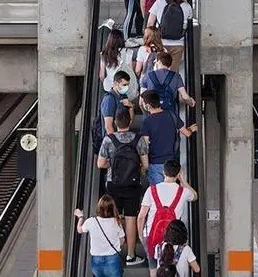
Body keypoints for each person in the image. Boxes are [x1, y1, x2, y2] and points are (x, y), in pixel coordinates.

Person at [98, 110, 149, 266]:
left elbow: (100, 164)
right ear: (130, 121)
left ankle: (111, 253)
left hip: (113, 184)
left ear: (115, 123)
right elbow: (145, 165)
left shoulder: (109, 140)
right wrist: (135, 172)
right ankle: (131, 256)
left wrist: (111, 165)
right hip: (132, 185)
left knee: (112, 218)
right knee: (130, 218)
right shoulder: (139, 139)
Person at [137, 159, 198, 277]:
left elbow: (141, 216)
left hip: (151, 235)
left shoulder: (151, 190)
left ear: (163, 172)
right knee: (172, 270)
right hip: (173, 237)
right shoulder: (183, 192)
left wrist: (141, 235)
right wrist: (183, 180)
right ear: (178, 174)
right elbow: (195, 196)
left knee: (154, 269)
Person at [139, 91, 197, 185]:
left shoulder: (146, 122)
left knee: (158, 193)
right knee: (171, 191)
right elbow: (187, 133)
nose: (142, 105)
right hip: (171, 164)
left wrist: (144, 166)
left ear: (148, 106)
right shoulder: (171, 115)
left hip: (155, 163)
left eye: (143, 103)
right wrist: (191, 129)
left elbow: (144, 147)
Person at [74, 195, 125, 277]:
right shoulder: (116, 222)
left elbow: (79, 230)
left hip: (96, 260)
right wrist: (114, 244)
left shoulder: (91, 221)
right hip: (113, 259)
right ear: (113, 208)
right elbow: (122, 240)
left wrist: (81, 217)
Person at [146, 0, 192, 72]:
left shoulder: (159, 2)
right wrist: (185, 1)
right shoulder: (187, 7)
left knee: (159, 71)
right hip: (178, 45)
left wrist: (148, 42)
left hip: (161, 43)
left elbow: (150, 24)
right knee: (172, 73)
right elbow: (189, 23)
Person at [141, 51, 194, 116]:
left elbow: (141, 101)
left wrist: (146, 113)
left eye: (156, 61)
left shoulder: (147, 76)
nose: (155, 62)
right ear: (170, 64)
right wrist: (191, 102)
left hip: (153, 112)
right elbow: (185, 96)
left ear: (159, 62)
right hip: (170, 112)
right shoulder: (176, 76)